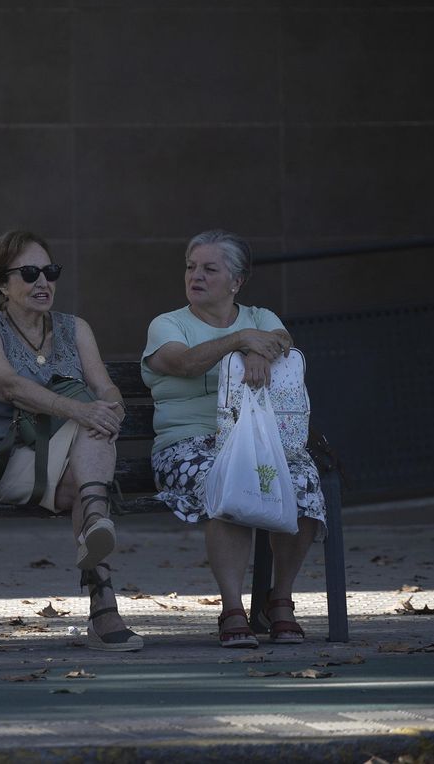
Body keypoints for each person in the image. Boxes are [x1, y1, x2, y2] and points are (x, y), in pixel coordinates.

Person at [140, 229, 326, 648]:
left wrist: (259, 350)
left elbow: (283, 342)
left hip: (262, 441)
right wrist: (240, 342)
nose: (196, 276)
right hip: (188, 444)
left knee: (303, 480)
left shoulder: (260, 317)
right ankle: (232, 608)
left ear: (237, 281)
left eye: (209, 268)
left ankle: (279, 601)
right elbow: (184, 363)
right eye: (191, 267)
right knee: (228, 480)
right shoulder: (168, 324)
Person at [0, 230, 143, 652]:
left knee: (89, 473)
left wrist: (113, 409)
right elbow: (11, 387)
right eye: (29, 273)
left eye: (50, 271)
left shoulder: (74, 328)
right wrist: (84, 412)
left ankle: (104, 597)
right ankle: (103, 612)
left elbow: (105, 387)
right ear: (1, 284)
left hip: (74, 466)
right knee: (90, 447)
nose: (42, 282)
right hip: (10, 462)